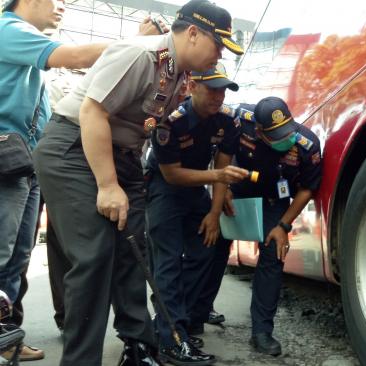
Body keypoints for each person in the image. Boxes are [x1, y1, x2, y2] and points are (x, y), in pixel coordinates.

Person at [32, 0, 248, 364]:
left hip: (123, 156)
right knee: (95, 254)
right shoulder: (139, 54)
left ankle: (139, 348)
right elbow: (92, 111)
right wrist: (106, 185)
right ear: (193, 33)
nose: (221, 53)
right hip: (73, 149)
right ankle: (81, 359)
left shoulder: (178, 73)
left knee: (134, 254)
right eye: (219, 43)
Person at [0, 0, 139, 360]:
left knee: (18, 257)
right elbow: (75, 57)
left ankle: (7, 338)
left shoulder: (23, 39)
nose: (62, 7)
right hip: (5, 157)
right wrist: (136, 46)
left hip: (24, 162)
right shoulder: (9, 30)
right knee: (2, 254)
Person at [146, 62, 245, 364]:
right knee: (169, 261)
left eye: (223, 91)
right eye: (212, 89)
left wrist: (214, 215)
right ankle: (173, 340)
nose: (219, 97)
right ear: (192, 87)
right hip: (164, 188)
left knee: (205, 250)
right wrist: (217, 178)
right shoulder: (169, 122)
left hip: (197, 188)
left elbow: (223, 168)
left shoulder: (228, 121)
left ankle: (171, 326)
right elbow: (174, 175)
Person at [228, 96, 323, 356]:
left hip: (274, 199)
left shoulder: (307, 144)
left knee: (273, 254)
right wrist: (221, 190)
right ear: (259, 131)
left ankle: (261, 332)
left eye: (288, 131)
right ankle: (195, 314)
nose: (286, 139)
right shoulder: (241, 120)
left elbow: (307, 189)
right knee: (212, 245)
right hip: (237, 189)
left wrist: (283, 225)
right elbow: (222, 152)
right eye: (276, 135)